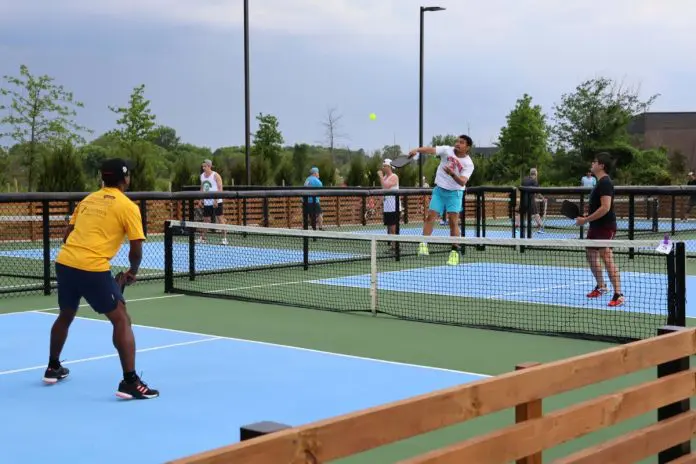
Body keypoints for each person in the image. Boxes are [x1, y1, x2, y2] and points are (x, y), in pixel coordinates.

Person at [44, 158, 159, 399]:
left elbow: (68, 235)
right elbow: (136, 250)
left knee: (66, 314)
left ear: (102, 178)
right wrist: (133, 272)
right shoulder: (128, 207)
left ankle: (53, 367)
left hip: (65, 262)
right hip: (92, 267)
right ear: (125, 178)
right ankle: (130, 382)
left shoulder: (88, 199)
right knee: (122, 320)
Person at [408, 135, 475, 265]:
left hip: (455, 193)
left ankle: (454, 252)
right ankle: (423, 244)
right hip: (439, 190)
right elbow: (430, 150)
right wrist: (416, 149)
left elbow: (462, 182)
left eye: (461, 143)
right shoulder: (446, 150)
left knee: (453, 222)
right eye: (457, 141)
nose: (457, 144)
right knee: (430, 216)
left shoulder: (469, 163)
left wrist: (452, 174)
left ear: (467, 147)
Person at [574, 152, 624, 307]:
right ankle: (601, 286)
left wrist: (586, 220)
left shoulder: (605, 183)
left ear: (601, 165)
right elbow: (598, 207)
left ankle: (619, 294)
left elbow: (606, 207)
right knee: (590, 254)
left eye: (594, 161)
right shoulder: (598, 182)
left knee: (607, 258)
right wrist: (587, 216)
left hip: (605, 226)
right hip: (595, 226)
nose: (592, 163)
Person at [198, 159, 227, 244]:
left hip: (217, 201)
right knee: (206, 220)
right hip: (207, 202)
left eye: (205, 166)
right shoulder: (202, 176)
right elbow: (202, 188)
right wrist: (200, 200)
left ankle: (224, 239)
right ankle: (202, 238)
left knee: (220, 219)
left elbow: (220, 188)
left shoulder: (216, 175)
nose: (203, 168)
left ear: (209, 166)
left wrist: (216, 200)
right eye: (203, 166)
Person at [515, 168, 545, 233]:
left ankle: (516, 228)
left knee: (520, 214)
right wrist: (543, 198)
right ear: (536, 173)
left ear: (530, 173)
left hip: (523, 200)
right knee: (536, 214)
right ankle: (541, 228)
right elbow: (538, 192)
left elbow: (520, 189)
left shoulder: (524, 179)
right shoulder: (534, 181)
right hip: (530, 200)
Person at [378, 159, 400, 245]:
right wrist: (376, 207)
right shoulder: (384, 178)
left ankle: (395, 248)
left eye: (384, 166)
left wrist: (380, 177)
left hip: (394, 207)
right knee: (389, 228)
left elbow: (386, 186)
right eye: (383, 166)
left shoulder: (394, 176)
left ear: (389, 167)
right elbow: (383, 192)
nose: (383, 168)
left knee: (393, 228)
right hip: (387, 207)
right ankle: (392, 246)